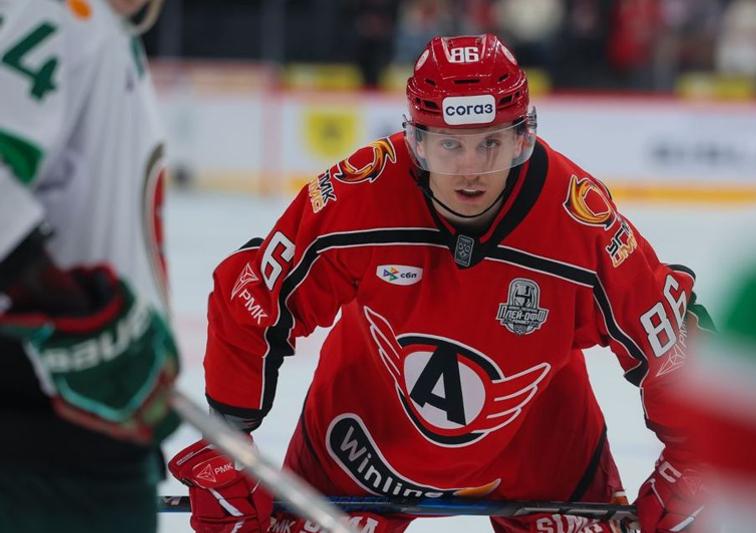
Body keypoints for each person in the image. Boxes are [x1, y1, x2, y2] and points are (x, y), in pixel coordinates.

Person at [169, 34, 712, 533]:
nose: (470, 169)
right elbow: (255, 296)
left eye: (490, 143)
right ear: (418, 142)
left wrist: (693, 459)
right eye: (450, 144)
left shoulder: (579, 221)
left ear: (521, 139)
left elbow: (666, 331)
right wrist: (228, 438)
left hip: (540, 445)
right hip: (363, 438)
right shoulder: (361, 193)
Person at [0, 1, 179, 532]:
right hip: (46, 450)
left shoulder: (104, 27)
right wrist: (64, 306)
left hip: (87, 439)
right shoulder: (51, 12)